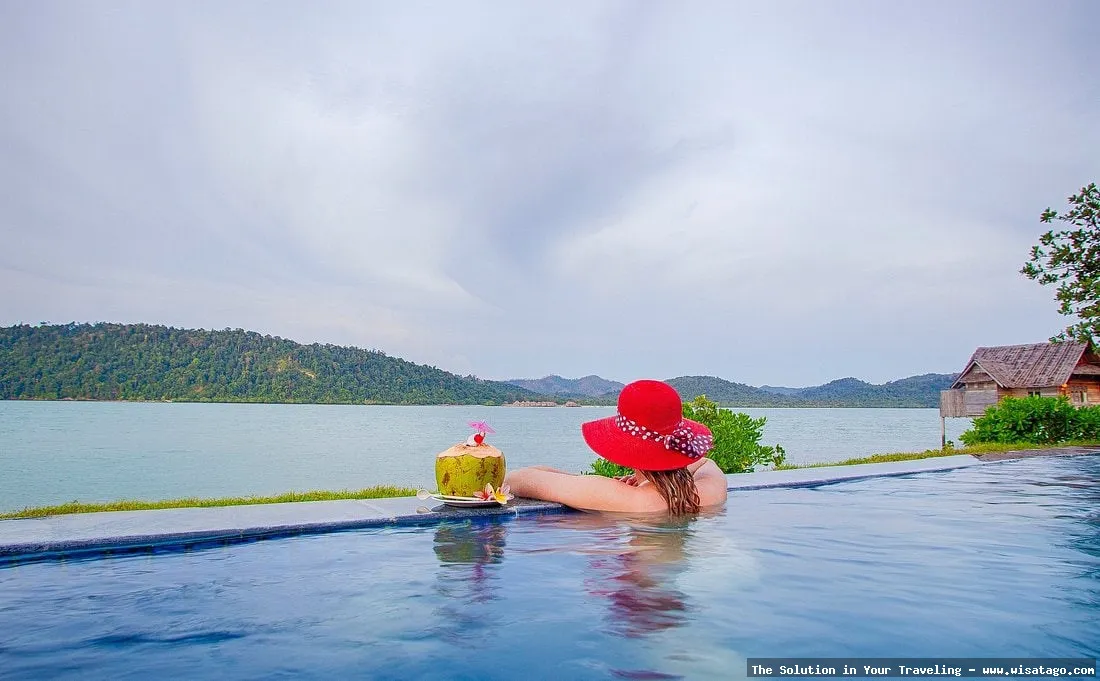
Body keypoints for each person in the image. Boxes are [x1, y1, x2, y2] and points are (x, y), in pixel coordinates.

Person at [505, 379, 727, 514]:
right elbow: (707, 463)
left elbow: (515, 479)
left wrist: (595, 481)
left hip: (640, 578)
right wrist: (651, 477)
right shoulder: (707, 493)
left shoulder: (628, 499)